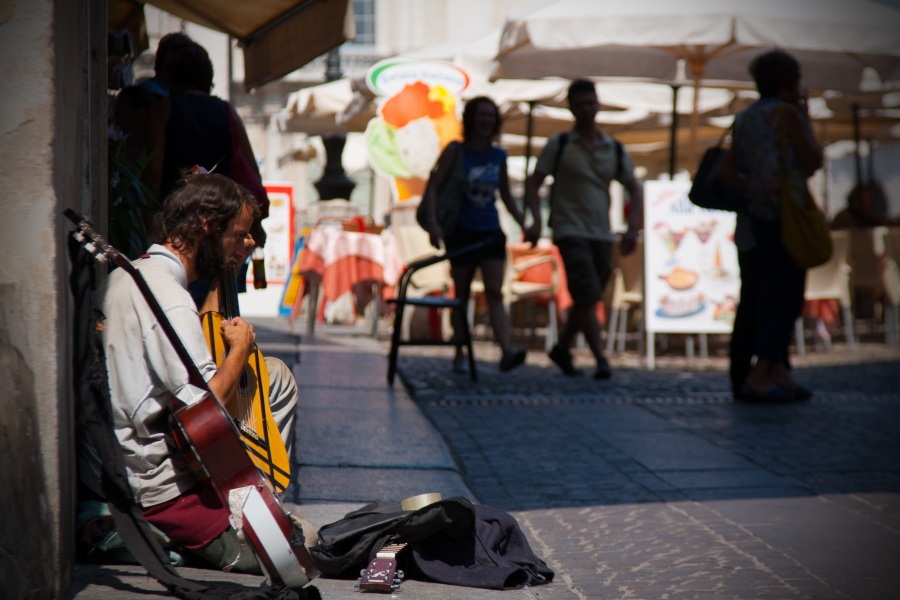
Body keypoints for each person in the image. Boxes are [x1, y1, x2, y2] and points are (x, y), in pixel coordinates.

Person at [98, 173, 299, 573]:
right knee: (288, 549)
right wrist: (239, 349)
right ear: (208, 227)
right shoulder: (170, 298)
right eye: (238, 234)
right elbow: (205, 407)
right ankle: (159, 535)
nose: (247, 244)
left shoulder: (131, 272)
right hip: (161, 489)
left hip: (127, 466)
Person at [523, 79, 644, 380]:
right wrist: (535, 219)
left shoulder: (614, 148)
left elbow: (634, 188)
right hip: (569, 229)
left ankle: (562, 347)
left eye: (590, 103)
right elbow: (534, 182)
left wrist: (633, 227)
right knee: (588, 293)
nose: (586, 109)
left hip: (601, 232)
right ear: (571, 109)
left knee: (588, 297)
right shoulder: (560, 145)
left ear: (597, 105)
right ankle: (601, 359)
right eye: (580, 105)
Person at [723, 49, 823, 402]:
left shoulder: (745, 118)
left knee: (764, 296)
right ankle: (761, 373)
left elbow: (729, 172)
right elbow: (813, 159)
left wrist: (755, 188)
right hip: (786, 216)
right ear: (788, 82)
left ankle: (774, 370)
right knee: (788, 297)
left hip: (755, 218)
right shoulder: (786, 114)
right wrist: (804, 115)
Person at [422, 96, 534, 373]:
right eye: (481, 115)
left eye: (490, 115)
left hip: (491, 231)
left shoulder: (499, 156)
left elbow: (506, 195)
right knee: (461, 295)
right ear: (470, 119)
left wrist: (524, 223)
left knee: (495, 292)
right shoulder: (456, 150)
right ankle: (460, 350)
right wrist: (434, 224)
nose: (486, 120)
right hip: (461, 231)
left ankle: (506, 350)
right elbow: (433, 187)